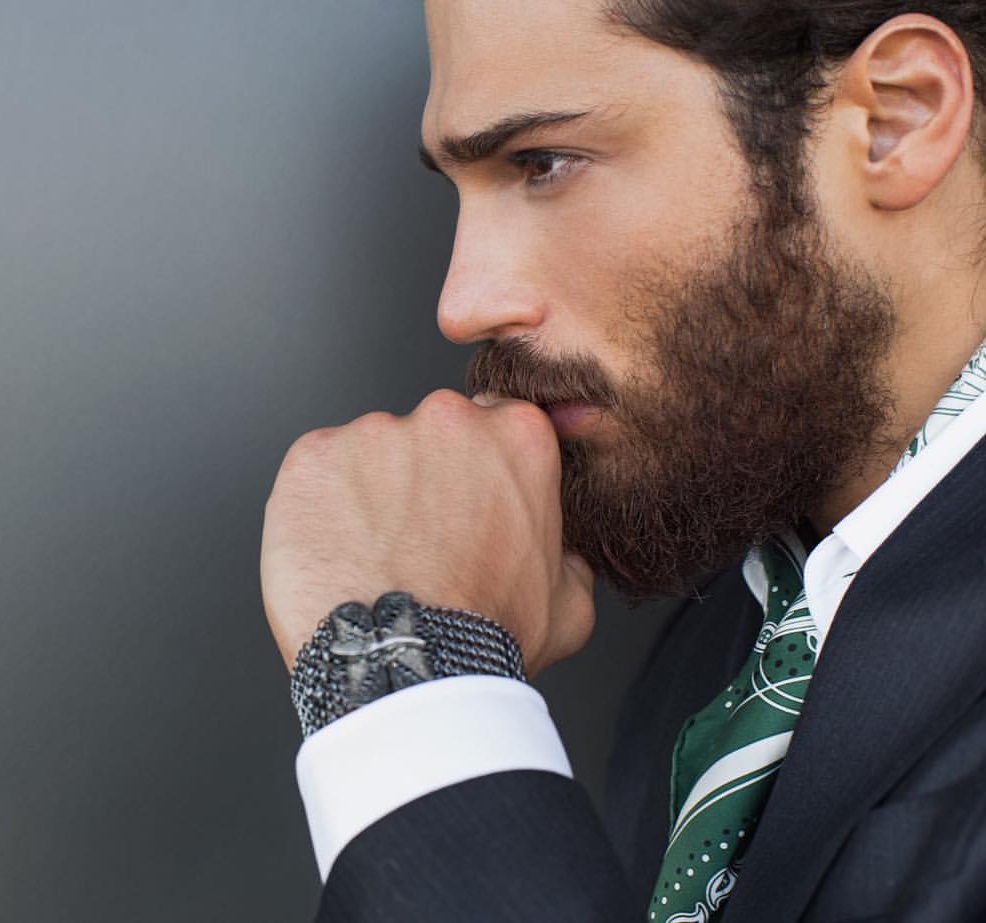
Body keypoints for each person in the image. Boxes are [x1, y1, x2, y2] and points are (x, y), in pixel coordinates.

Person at [260, 2, 986, 919]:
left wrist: (421, 695)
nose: (462, 303)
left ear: (898, 118)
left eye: (542, 163)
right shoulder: (737, 623)